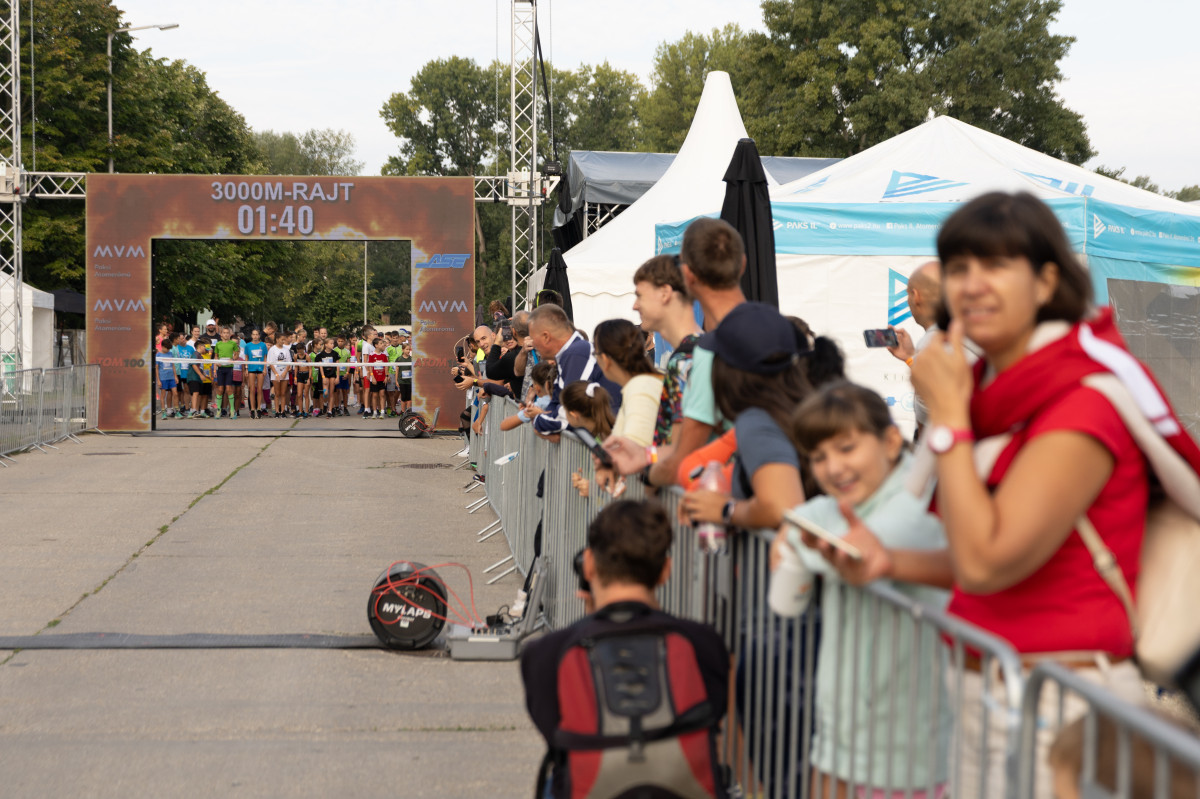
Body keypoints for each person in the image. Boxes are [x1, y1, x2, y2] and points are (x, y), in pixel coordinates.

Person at [902, 191, 1200, 798]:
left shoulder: (1082, 401)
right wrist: (878, 561)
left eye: (996, 265)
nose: (972, 284)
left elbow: (984, 563)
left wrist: (949, 417)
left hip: (1057, 713)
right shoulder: (997, 393)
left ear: (1045, 282)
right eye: (958, 267)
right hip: (994, 692)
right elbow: (967, 549)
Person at [775, 382, 951, 799]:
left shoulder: (919, 503)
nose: (833, 467)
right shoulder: (851, 502)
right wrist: (798, 532)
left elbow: (855, 546)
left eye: (847, 448)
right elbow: (808, 526)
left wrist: (796, 536)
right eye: (819, 457)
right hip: (842, 730)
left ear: (890, 441)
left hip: (907, 745)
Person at [519, 499, 729, 799]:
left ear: (588, 565)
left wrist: (588, 625)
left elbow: (556, 734)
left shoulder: (547, 652)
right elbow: (713, 712)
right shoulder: (704, 643)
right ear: (665, 571)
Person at [603, 218, 745, 484]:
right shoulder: (694, 352)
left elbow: (683, 454)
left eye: (640, 295)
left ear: (665, 293)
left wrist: (648, 474)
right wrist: (645, 455)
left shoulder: (687, 359)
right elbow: (677, 448)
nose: (634, 306)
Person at [528, 303, 620, 437]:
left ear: (546, 337)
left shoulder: (578, 354)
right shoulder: (571, 354)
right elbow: (555, 405)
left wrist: (539, 420)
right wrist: (544, 419)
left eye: (533, 338)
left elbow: (569, 415)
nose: (532, 344)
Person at [886, 261, 941, 433]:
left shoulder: (933, 344)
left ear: (916, 296)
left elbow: (929, 422)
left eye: (907, 294)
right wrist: (911, 357)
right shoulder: (969, 334)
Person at [592, 319, 663, 448]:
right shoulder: (642, 386)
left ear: (605, 359)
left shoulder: (639, 392)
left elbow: (636, 450)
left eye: (595, 353)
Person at [560, 381, 616, 497]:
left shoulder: (610, 441)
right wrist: (585, 480)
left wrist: (593, 490)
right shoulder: (600, 435)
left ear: (574, 414)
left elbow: (621, 481)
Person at [211, 325, 241, 419]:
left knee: (229, 389)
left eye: (227, 333)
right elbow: (216, 356)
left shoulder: (233, 344)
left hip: (229, 368)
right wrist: (216, 365)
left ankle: (232, 410)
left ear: (230, 334)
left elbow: (236, 354)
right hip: (220, 369)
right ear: (221, 334)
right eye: (224, 333)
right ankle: (218, 410)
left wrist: (233, 359)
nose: (226, 334)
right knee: (220, 389)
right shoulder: (218, 344)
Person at [243, 329, 268, 419]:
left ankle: (259, 408)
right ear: (251, 335)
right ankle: (252, 409)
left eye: (257, 334)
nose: (255, 336)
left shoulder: (263, 345)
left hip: (260, 368)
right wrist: (246, 368)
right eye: (254, 334)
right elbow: (246, 357)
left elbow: (265, 357)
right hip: (251, 368)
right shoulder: (248, 345)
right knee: (252, 389)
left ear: (259, 335)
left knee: (260, 389)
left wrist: (264, 368)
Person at [267, 331, 292, 418]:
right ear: (277, 339)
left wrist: (285, 372)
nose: (283, 341)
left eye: (284, 340)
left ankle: (283, 411)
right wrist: (276, 374)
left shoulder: (286, 349)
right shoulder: (272, 349)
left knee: (283, 393)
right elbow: (270, 363)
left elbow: (289, 362)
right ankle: (277, 411)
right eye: (282, 340)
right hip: (276, 374)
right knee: (277, 393)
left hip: (284, 374)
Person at [367, 336, 389, 418]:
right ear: (376, 345)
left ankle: (382, 411)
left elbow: (386, 366)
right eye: (381, 343)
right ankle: (375, 412)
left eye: (383, 343)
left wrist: (386, 376)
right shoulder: (371, 355)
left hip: (382, 378)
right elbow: (370, 366)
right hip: (374, 378)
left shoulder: (384, 355)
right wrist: (372, 377)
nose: (383, 344)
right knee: (375, 395)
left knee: (382, 394)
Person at [156, 337, 178, 419]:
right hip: (163, 377)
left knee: (175, 393)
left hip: (171, 377)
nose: (168, 350)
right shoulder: (158, 355)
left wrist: (175, 376)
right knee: (163, 395)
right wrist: (158, 380)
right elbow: (156, 368)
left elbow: (173, 365)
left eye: (169, 349)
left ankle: (177, 411)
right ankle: (163, 413)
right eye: (167, 348)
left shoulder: (170, 354)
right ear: (162, 346)